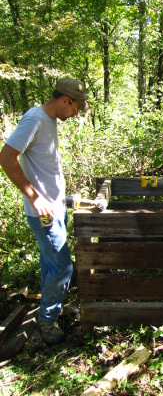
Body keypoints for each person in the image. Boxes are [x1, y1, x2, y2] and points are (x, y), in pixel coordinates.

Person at [0, 78, 90, 345]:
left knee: (51, 264)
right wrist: (34, 196)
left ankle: (52, 309)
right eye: (76, 108)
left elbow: (43, 166)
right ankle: (47, 324)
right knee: (63, 267)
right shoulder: (35, 119)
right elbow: (5, 157)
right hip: (44, 212)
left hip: (54, 207)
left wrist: (65, 199)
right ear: (66, 100)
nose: (75, 114)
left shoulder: (47, 120)